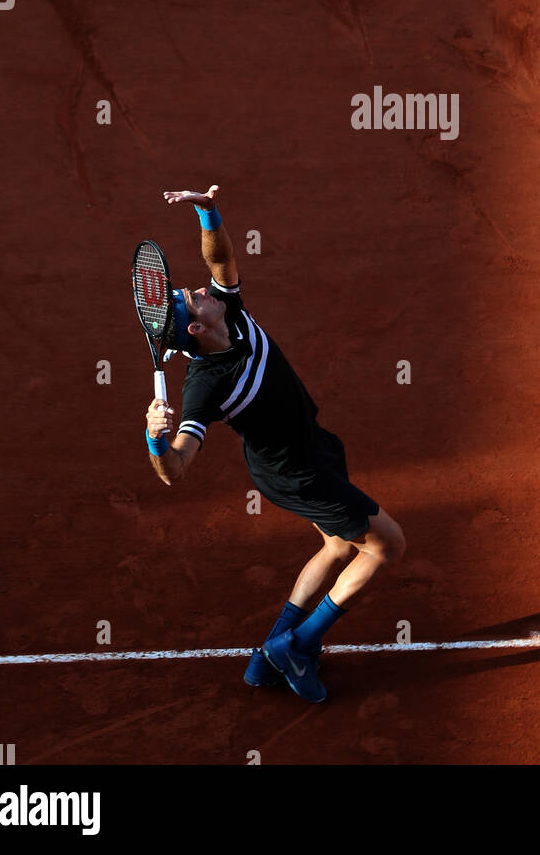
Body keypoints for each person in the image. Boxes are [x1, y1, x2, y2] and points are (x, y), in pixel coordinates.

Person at [144, 184, 406, 703]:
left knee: (336, 545)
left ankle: (266, 657)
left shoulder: (228, 310)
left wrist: (207, 210)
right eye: (193, 297)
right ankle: (298, 644)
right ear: (196, 328)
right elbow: (175, 469)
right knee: (386, 546)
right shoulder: (203, 388)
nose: (201, 288)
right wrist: (156, 441)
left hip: (314, 446)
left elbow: (220, 256)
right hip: (295, 474)